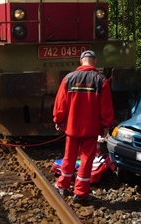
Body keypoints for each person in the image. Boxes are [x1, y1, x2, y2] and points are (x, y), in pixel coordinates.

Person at [53, 50, 114, 203]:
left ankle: (62, 185)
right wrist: (106, 124)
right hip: (91, 128)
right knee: (87, 160)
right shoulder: (101, 80)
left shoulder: (68, 78)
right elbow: (106, 106)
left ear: (81, 61)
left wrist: (58, 120)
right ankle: (80, 193)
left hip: (72, 127)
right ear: (95, 62)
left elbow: (61, 104)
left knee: (69, 156)